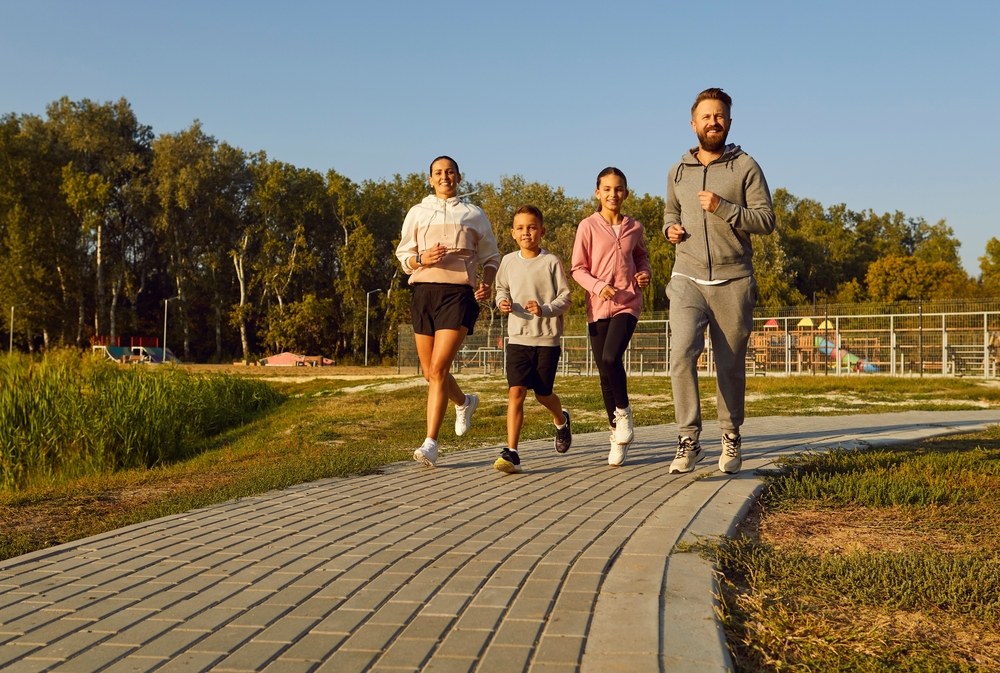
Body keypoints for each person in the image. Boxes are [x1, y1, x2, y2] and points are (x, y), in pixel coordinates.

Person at [663, 88, 775, 475]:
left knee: (729, 366)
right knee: (681, 355)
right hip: (687, 276)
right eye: (706, 116)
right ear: (693, 124)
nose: (714, 122)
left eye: (720, 116)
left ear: (728, 122)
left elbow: (765, 220)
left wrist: (724, 208)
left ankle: (730, 435)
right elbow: (670, 211)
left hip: (733, 280)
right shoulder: (677, 171)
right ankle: (689, 439)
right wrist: (669, 230)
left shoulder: (746, 166)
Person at [395, 156, 500, 467]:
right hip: (423, 293)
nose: (445, 177)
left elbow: (491, 256)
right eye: (438, 173)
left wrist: (488, 283)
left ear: (459, 177)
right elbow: (404, 257)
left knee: (439, 369)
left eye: (450, 172)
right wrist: (422, 259)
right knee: (430, 373)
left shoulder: (473, 214)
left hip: (458, 295)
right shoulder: (417, 212)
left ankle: (430, 443)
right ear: (430, 179)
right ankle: (465, 402)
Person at [572, 168, 652, 467]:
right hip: (597, 307)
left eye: (618, 189)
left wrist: (644, 274)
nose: (612, 194)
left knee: (609, 357)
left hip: (627, 303)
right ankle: (616, 435)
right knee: (605, 375)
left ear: (626, 193)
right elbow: (578, 269)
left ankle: (624, 416)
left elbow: (641, 257)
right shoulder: (587, 227)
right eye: (607, 189)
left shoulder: (635, 227)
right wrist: (598, 286)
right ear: (597, 193)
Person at [493, 205, 573, 474]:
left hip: (547, 339)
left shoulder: (551, 262)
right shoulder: (508, 261)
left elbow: (566, 297)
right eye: (520, 228)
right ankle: (512, 452)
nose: (526, 232)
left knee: (542, 394)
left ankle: (561, 421)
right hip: (517, 338)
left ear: (542, 231)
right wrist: (502, 301)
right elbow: (501, 288)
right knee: (516, 392)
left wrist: (545, 309)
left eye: (531, 227)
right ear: (512, 233)